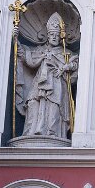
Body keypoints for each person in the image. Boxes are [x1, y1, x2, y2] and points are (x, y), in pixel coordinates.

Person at [16, 12, 78, 140]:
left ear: (61, 37)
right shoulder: (40, 50)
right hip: (39, 84)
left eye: (56, 35)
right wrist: (15, 39)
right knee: (33, 104)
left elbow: (76, 63)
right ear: (47, 36)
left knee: (54, 108)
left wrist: (66, 66)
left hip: (57, 86)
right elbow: (26, 57)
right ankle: (31, 133)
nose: (54, 37)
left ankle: (52, 134)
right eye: (51, 35)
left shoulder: (66, 53)